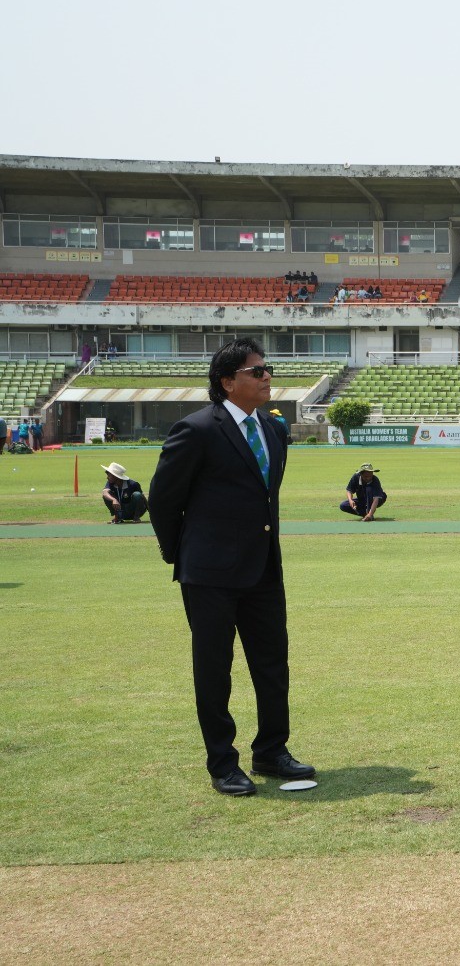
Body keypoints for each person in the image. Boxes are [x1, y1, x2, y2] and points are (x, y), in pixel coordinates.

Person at [149, 339, 313, 796]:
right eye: (256, 371)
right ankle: (223, 764)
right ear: (227, 382)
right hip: (209, 574)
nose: (266, 377)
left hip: (263, 569)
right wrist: (179, 555)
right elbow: (164, 499)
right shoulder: (196, 429)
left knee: (272, 665)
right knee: (214, 671)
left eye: (267, 369)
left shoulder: (273, 429)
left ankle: (271, 751)